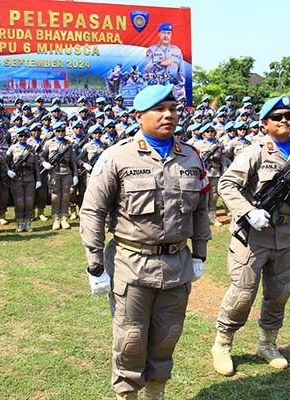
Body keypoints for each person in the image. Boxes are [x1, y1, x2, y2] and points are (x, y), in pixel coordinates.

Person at [79, 85, 211, 400]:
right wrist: (95, 264)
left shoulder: (191, 157)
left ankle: (156, 393)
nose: (168, 115)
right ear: (138, 116)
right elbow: (92, 211)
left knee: (167, 335)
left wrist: (200, 254)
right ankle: (127, 395)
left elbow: (202, 209)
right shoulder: (116, 157)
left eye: (173, 109)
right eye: (158, 109)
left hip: (178, 264)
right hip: (131, 263)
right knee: (131, 338)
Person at [211, 95, 290, 377]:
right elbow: (227, 184)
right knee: (243, 293)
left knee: (279, 293)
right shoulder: (254, 151)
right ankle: (223, 343)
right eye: (277, 117)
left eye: (288, 116)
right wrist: (247, 212)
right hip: (253, 236)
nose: (284, 120)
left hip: (284, 233)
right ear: (265, 123)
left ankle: (267, 343)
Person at [40, 121, 78, 230]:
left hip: (66, 172)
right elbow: (42, 156)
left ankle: (64, 218)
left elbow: (73, 161)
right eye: (58, 131)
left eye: (62, 131)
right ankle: (56, 219)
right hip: (54, 173)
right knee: (55, 196)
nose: (61, 133)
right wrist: (44, 163)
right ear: (55, 132)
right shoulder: (49, 143)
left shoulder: (69, 144)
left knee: (66, 196)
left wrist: (75, 175)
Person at [144, 23, 186, 99]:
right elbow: (147, 71)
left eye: (168, 33)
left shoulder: (177, 51)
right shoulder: (152, 50)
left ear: (171, 35)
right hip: (157, 90)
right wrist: (161, 64)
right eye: (163, 33)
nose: (166, 36)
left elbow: (181, 73)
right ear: (159, 34)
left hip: (173, 89)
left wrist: (180, 87)